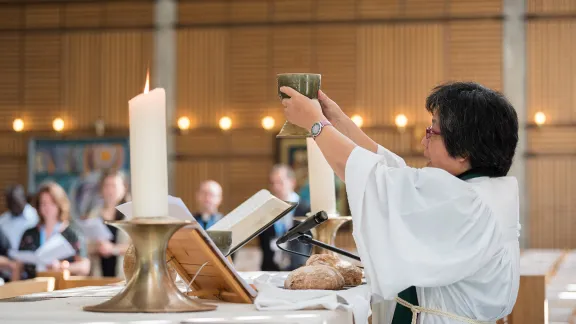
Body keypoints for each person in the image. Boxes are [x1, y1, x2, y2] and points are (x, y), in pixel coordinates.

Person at [279, 81, 520, 323]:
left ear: (463, 150)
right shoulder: (484, 191)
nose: (423, 142)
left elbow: (376, 180)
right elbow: (391, 176)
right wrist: (337, 119)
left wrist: (317, 124)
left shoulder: (466, 201)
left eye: (432, 132)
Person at [19, 182, 90, 279]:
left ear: (60, 204)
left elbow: (85, 266)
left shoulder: (72, 233)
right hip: (33, 286)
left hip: (63, 287)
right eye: (43, 203)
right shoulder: (29, 234)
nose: (47, 207)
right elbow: (19, 265)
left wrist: (63, 267)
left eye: (52, 203)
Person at [259, 165, 311, 271]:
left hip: (298, 269)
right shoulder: (266, 210)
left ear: (292, 182)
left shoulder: (306, 209)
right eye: (273, 183)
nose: (276, 187)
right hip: (271, 270)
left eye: (280, 182)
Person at [84, 170, 131, 277]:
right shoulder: (93, 215)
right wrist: (97, 248)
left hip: (124, 275)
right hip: (99, 275)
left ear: (124, 188)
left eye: (114, 186)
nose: (110, 190)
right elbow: (85, 246)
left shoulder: (132, 215)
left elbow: (138, 247)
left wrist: (113, 249)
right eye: (106, 186)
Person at [0, 185, 39, 252]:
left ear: (24, 198)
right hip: (9, 259)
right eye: (10, 202)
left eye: (16, 201)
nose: (13, 205)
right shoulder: (2, 221)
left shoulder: (36, 217)